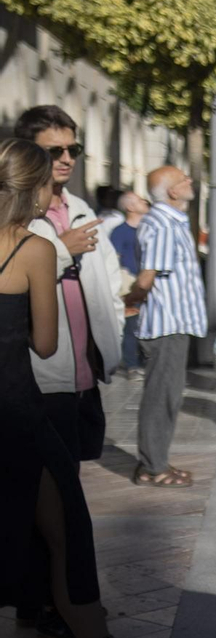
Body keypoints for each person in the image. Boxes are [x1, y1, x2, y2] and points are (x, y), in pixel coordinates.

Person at [0, 139, 176, 638]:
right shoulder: (33, 248)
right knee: (68, 533)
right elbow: (48, 343)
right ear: (34, 187)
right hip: (20, 410)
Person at [18, 105, 125, 467]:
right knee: (47, 484)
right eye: (54, 151)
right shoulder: (16, 213)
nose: (66, 159)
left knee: (73, 474)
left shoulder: (80, 206)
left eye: (73, 150)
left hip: (85, 372)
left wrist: (113, 334)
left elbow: (110, 281)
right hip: (43, 377)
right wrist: (62, 250)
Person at [127, 166, 208, 487]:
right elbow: (147, 277)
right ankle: (151, 467)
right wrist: (128, 300)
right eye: (184, 180)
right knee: (161, 396)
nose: (190, 182)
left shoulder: (171, 222)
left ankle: (157, 460)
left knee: (169, 396)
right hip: (166, 324)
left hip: (176, 322)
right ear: (172, 192)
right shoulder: (161, 224)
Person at [109, 193, 149, 373]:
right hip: (130, 284)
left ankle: (145, 361)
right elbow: (114, 259)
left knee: (146, 324)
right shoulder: (119, 232)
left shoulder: (149, 229)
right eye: (139, 200)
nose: (145, 202)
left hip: (149, 284)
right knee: (131, 325)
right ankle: (132, 365)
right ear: (130, 208)